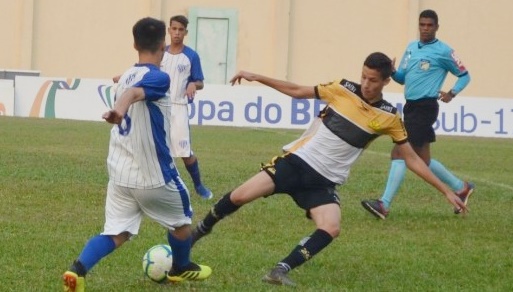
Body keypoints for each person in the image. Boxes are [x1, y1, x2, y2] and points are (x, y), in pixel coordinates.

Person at [190, 52, 468, 287]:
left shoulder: (389, 117)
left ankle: (280, 270)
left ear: (385, 81)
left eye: (373, 80)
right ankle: (201, 230)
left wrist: (446, 190)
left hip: (322, 183)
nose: (366, 84)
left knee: (331, 227)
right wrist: (258, 76)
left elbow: (412, 159)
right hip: (296, 164)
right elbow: (299, 91)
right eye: (364, 77)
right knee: (239, 196)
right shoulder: (342, 88)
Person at [62, 17, 211, 292]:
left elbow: (128, 88)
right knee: (182, 223)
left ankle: (77, 270)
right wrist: (119, 109)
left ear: (134, 44)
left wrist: (120, 103)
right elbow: (132, 93)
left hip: (120, 174)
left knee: (117, 232)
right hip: (153, 175)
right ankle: (180, 268)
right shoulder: (159, 77)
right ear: (163, 46)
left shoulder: (126, 74)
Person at [361, 9, 474, 219]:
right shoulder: (411, 48)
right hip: (411, 106)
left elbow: (465, 76)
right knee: (423, 159)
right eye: (422, 25)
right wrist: (394, 71)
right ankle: (462, 187)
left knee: (399, 153)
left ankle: (383, 205)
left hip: (426, 107)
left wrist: (452, 93)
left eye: (430, 25)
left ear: (437, 27)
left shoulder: (444, 51)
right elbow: (402, 78)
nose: (425, 29)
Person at [161, 15, 213, 200]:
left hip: (179, 107)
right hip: (159, 106)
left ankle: (199, 185)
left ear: (185, 32)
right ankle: (162, 188)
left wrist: (193, 85)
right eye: (173, 29)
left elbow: (200, 82)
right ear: (169, 30)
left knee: (183, 151)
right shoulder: (160, 53)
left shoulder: (191, 56)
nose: (176, 33)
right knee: (157, 148)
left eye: (180, 30)